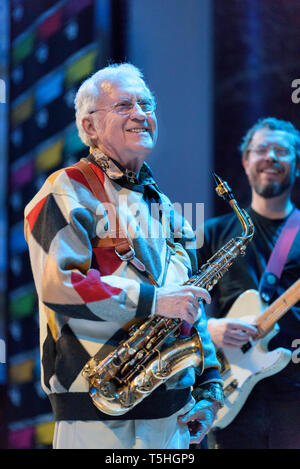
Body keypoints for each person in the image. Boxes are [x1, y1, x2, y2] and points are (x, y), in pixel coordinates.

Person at [24, 63, 224, 449]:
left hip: (174, 417)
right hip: (96, 413)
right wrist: (154, 301)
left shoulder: (166, 208)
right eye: (123, 105)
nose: (140, 114)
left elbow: (189, 304)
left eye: (146, 104)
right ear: (89, 128)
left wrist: (210, 388)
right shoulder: (66, 190)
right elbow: (60, 286)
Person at [198, 117, 300, 449]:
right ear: (245, 161)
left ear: (296, 166)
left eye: (282, 151)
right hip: (231, 394)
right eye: (261, 149)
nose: (271, 156)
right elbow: (180, 308)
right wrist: (209, 328)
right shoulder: (214, 232)